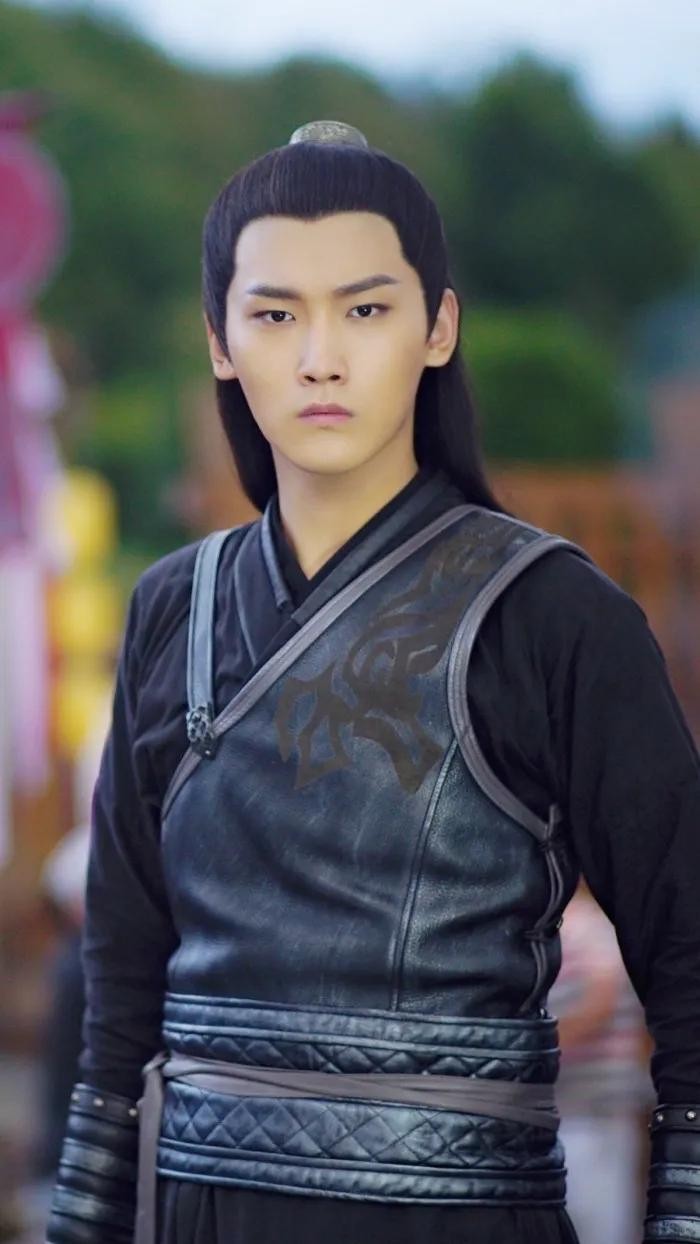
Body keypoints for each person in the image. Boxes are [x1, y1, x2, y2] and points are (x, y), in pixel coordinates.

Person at [46, 120, 700, 1244]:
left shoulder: (555, 616)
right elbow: (118, 993)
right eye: (274, 314)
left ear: (438, 326)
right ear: (218, 341)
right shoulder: (172, 610)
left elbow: (689, 962)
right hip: (203, 1212)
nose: (320, 358)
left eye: (364, 309)